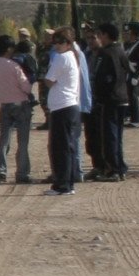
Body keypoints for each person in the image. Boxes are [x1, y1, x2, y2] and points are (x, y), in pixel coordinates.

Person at [42, 27, 85, 195]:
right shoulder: (72, 56)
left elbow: (49, 80)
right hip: (68, 106)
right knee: (68, 146)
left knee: (60, 148)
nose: (57, 45)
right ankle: (68, 182)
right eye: (56, 42)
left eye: (61, 42)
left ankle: (63, 185)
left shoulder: (62, 58)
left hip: (63, 107)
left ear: (68, 43)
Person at [0, 34, 36, 183]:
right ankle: (22, 173)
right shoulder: (14, 66)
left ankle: (0, 172)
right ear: (9, 49)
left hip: (4, 104)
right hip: (20, 104)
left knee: (3, 140)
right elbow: (26, 87)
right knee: (22, 142)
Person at [88, 23, 130, 180]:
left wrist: (99, 95)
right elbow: (128, 71)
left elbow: (100, 76)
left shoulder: (104, 53)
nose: (99, 38)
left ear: (105, 35)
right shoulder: (121, 50)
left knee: (109, 137)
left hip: (109, 100)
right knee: (117, 136)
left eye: (100, 35)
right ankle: (120, 167)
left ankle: (112, 170)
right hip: (122, 98)